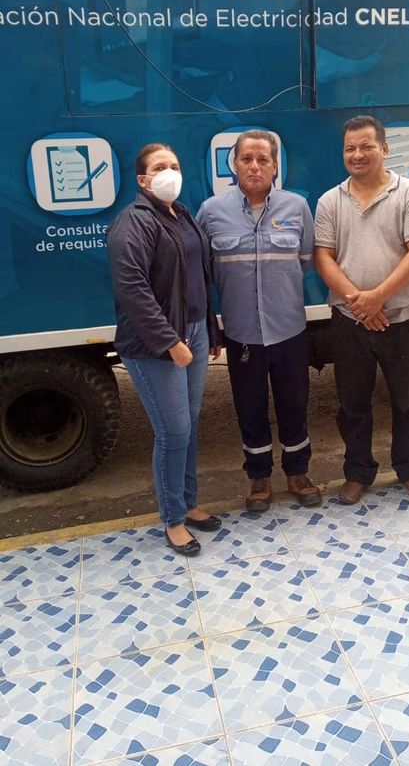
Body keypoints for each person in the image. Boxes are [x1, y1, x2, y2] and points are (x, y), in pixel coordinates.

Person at [314, 115, 409, 505]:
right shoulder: (330, 200)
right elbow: (323, 257)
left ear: (384, 149)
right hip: (349, 321)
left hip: (403, 319)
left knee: (407, 400)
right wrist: (360, 301)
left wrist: (378, 297)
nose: (357, 154)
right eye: (350, 148)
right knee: (352, 402)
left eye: (366, 146)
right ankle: (358, 472)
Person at [197, 129, 321, 512]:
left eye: (262, 159)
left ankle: (298, 473)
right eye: (246, 159)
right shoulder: (211, 211)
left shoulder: (296, 207)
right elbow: (203, 271)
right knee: (249, 407)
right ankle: (259, 477)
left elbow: (305, 261)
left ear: (274, 166)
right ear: (234, 165)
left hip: (289, 329)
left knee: (294, 403)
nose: (254, 166)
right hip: (242, 334)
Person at [106, 143, 222, 556]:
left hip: (194, 332)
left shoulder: (181, 214)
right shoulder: (133, 222)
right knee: (172, 431)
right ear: (143, 180)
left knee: (188, 424)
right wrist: (170, 342)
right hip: (155, 344)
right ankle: (173, 520)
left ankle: (188, 502)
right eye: (159, 167)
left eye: (174, 165)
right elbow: (132, 289)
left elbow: (198, 278)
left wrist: (209, 331)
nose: (169, 172)